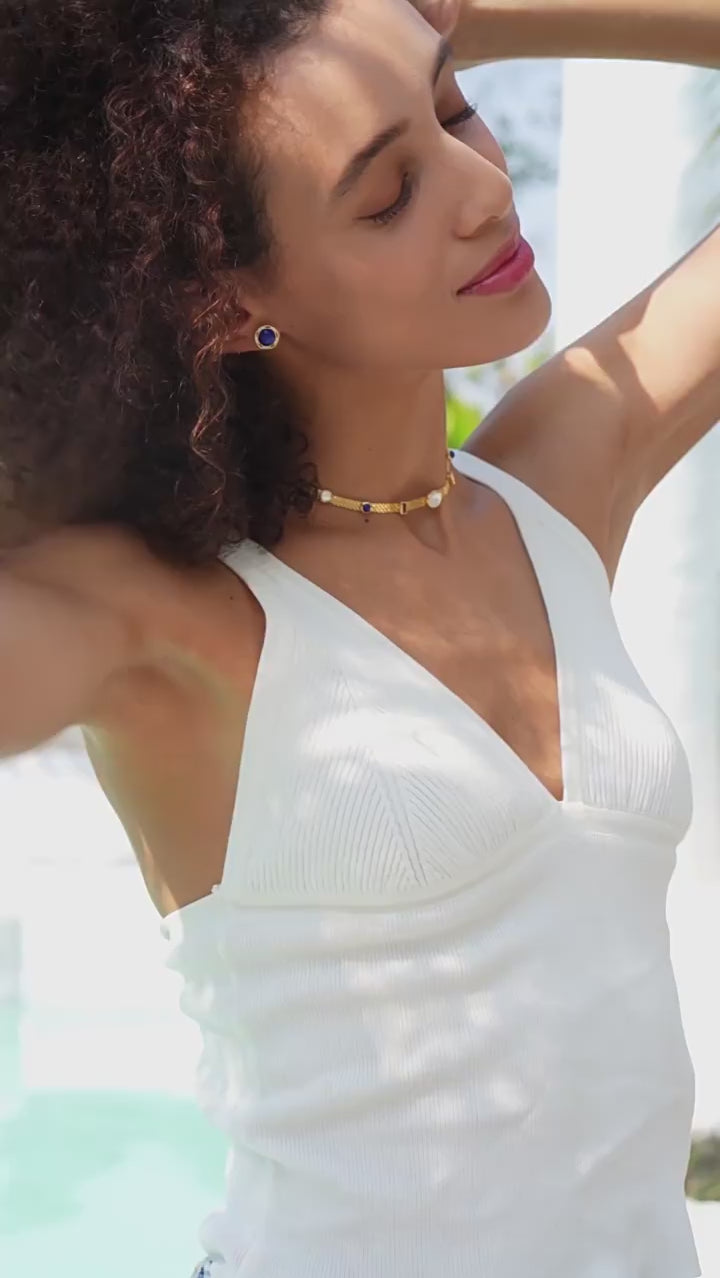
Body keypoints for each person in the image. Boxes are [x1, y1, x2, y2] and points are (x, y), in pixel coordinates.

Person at [1, 0, 719, 1273]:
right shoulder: (171, 620)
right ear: (229, 302)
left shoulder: (554, 485)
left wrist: (462, 18)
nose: (482, 190)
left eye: (456, 112)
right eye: (388, 195)